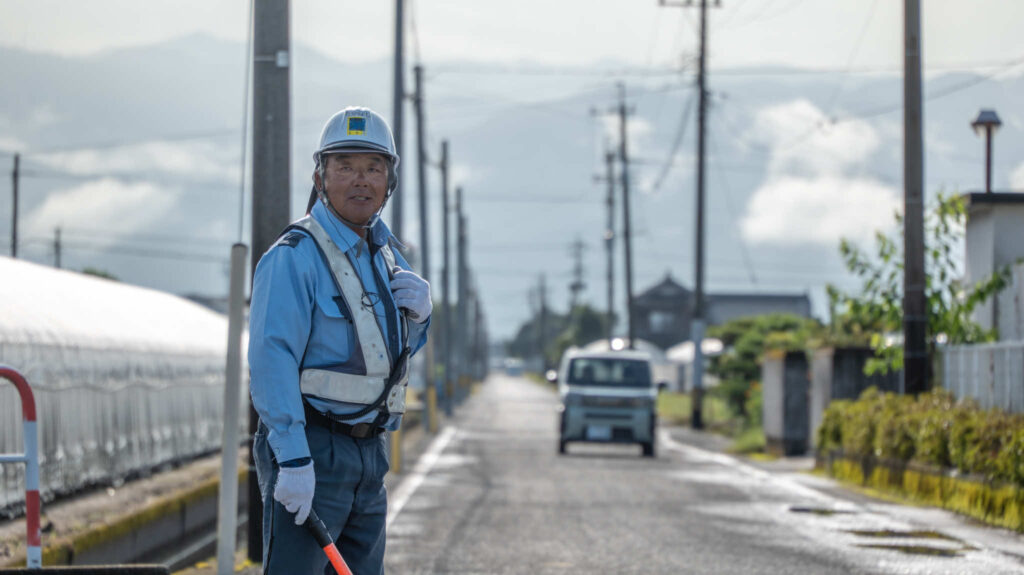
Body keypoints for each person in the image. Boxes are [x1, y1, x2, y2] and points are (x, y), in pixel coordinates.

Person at [249, 106, 431, 574]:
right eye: (344, 166)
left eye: (374, 168)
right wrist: (292, 460)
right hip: (313, 450)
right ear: (320, 176)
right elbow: (273, 361)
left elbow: (387, 357)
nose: (361, 180)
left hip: (369, 457)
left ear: (389, 181)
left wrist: (421, 320)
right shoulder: (295, 257)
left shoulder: (385, 255)